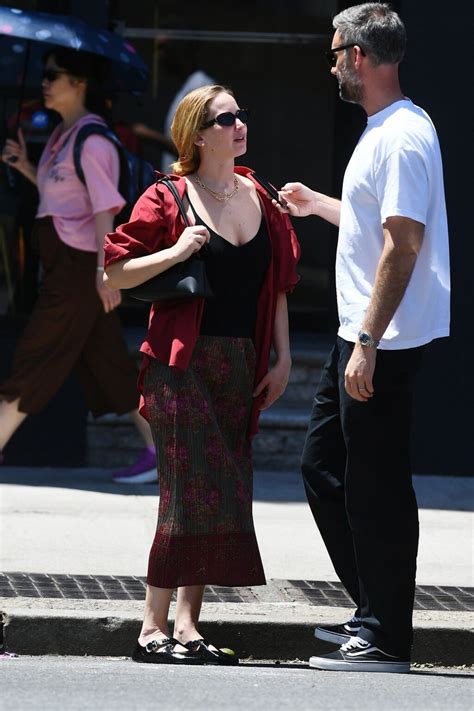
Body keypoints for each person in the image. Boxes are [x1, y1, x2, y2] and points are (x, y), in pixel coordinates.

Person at [278, 3, 450, 673]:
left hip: (384, 340)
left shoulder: (402, 135)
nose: (331, 67)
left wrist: (370, 341)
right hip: (362, 333)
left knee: (376, 487)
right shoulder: (384, 129)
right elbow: (376, 222)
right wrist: (317, 204)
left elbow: (403, 245)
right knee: (323, 468)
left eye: (333, 54)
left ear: (357, 55)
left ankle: (385, 636)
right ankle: (375, 610)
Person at [104, 85, 300, 664]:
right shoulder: (168, 196)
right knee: (188, 491)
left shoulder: (261, 196)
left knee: (222, 490)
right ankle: (151, 627)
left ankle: (188, 626)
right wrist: (175, 252)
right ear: (197, 134)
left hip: (240, 362)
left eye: (242, 115)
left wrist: (284, 358)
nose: (239, 125)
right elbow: (116, 272)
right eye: (225, 118)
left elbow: (279, 285)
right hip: (179, 365)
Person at [0, 47, 157, 484]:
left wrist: (105, 272)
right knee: (109, 363)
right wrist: (27, 167)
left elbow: (106, 209)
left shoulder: (93, 140)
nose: (45, 82)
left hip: (79, 268)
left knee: (35, 356)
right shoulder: (63, 135)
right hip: (65, 266)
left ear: (80, 84)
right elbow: (63, 197)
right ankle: (161, 453)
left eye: (55, 75)